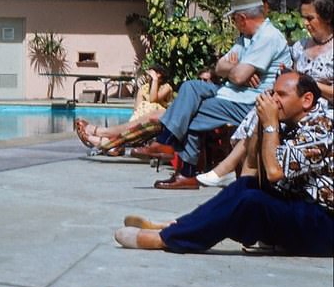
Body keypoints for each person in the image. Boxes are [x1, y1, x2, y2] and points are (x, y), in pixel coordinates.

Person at [114, 71, 333, 255]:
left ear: (306, 100)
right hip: (300, 208)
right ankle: (181, 225)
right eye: (273, 93)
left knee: (251, 201)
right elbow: (252, 169)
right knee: (244, 187)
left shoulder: (323, 127)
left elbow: (274, 173)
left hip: (324, 223)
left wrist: (269, 124)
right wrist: (261, 122)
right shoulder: (289, 120)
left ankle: (167, 239)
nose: (274, 100)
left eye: (282, 95)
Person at [134, 0, 291, 189]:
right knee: (190, 86)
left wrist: (235, 70)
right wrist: (238, 69)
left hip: (250, 102)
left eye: (234, 19)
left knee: (192, 114)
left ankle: (182, 166)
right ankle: (169, 145)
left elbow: (238, 77)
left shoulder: (268, 37)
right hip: (231, 93)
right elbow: (219, 67)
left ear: (242, 18)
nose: (234, 23)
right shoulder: (247, 38)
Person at [199, 0, 334, 187]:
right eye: (303, 17)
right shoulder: (300, 47)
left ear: (327, 17)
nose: (305, 23)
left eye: (310, 18)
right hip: (295, 104)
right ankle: (238, 175)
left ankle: (229, 169)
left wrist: (310, 83)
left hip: (323, 109)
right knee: (264, 105)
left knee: (266, 109)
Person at [76, 64, 173, 149]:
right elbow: (137, 108)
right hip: (143, 119)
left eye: (150, 74)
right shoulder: (145, 88)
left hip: (155, 121)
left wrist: (155, 79)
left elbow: (153, 99)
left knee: (132, 130)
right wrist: (140, 92)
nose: (147, 76)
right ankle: (105, 141)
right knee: (129, 130)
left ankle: (101, 136)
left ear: (159, 74)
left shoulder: (166, 87)